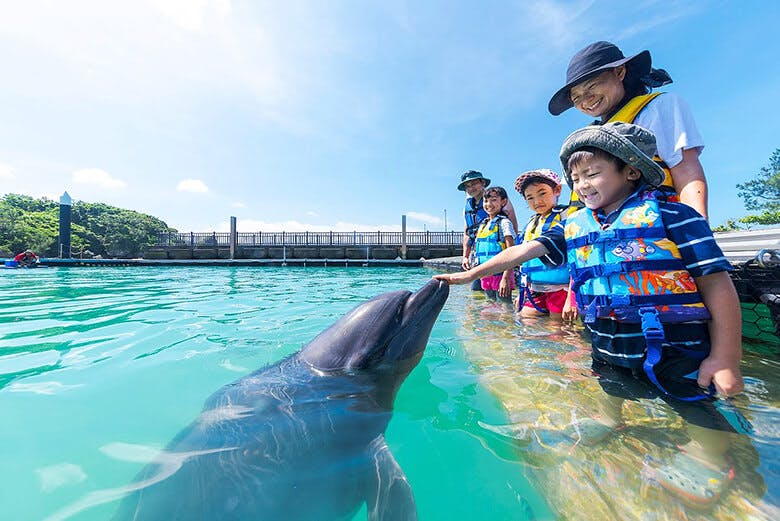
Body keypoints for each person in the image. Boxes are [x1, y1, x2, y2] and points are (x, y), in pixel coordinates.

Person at [436, 122, 743, 505]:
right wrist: (471, 274)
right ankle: (609, 420)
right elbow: (522, 251)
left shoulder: (674, 216)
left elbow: (717, 284)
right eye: (576, 178)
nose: (582, 185)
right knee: (609, 381)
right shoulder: (574, 224)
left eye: (593, 173)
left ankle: (712, 455)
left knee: (688, 397)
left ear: (631, 170)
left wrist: (725, 357)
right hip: (608, 336)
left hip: (672, 341)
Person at [548, 41, 708, 219]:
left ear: (619, 72)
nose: (586, 100)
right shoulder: (586, 139)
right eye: (576, 97)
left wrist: (699, 225)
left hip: (651, 228)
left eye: (592, 86)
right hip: (599, 233)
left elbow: (686, 169)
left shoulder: (659, 106)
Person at [514, 169, 575, 319]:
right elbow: (524, 260)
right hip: (535, 288)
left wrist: (571, 298)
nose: (537, 201)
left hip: (561, 288)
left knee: (557, 327)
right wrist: (523, 291)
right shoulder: (531, 223)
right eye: (530, 198)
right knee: (526, 319)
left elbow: (578, 258)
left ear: (557, 190)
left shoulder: (566, 216)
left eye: (542, 193)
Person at [459, 170, 519, 290]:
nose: (471, 188)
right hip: (478, 256)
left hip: (498, 255)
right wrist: (465, 256)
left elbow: (512, 228)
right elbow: (467, 234)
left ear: (483, 183)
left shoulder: (499, 200)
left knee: (500, 291)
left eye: (474, 183)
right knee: (477, 291)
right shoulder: (467, 208)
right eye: (467, 186)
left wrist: (510, 262)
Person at [473, 186, 516, 301]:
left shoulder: (504, 223)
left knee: (505, 306)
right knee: (489, 304)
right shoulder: (483, 225)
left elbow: (511, 252)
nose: (489, 204)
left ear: (503, 202)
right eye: (486, 201)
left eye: (493, 200)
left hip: (501, 274)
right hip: (486, 274)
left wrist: (506, 278)